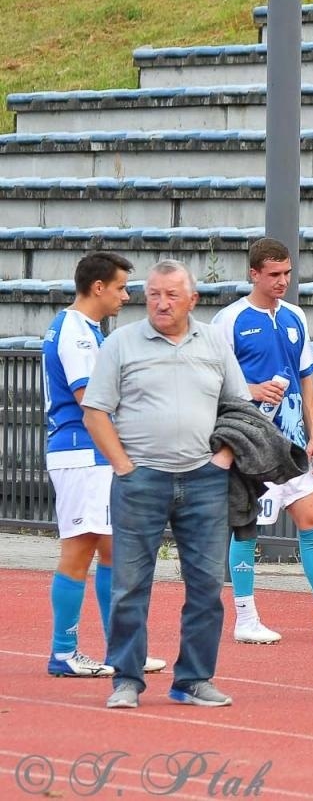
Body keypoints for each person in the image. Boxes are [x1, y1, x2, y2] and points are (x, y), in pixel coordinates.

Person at [82, 260, 249, 710]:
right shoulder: (121, 343)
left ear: (192, 300)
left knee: (207, 585)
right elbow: (95, 410)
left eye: (172, 294)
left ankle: (193, 680)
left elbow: (240, 408)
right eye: (154, 293)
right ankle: (127, 680)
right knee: (130, 584)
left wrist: (222, 461)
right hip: (141, 480)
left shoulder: (214, 341)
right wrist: (123, 467)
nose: (161, 302)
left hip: (205, 481)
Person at [212, 238, 313, 645]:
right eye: (274, 275)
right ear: (254, 274)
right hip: (249, 442)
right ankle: (246, 618)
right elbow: (212, 381)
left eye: (287, 273)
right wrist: (252, 389)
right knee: (246, 530)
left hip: (290, 443)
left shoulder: (295, 317)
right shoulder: (229, 320)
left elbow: (307, 380)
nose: (282, 281)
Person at [41, 253, 169, 678]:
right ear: (98, 287)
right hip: (82, 453)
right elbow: (88, 400)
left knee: (113, 550)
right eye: (119, 287)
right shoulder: (76, 332)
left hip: (92, 453)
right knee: (80, 548)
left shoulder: (86, 329)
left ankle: (121, 647)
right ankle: (63, 652)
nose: (125, 296)